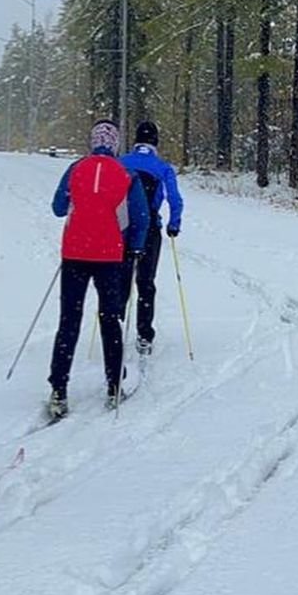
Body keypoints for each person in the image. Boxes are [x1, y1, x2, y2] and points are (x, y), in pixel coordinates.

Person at [46, 119, 149, 418]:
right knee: (109, 319)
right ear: (115, 144)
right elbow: (140, 218)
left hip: (75, 253)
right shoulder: (127, 174)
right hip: (110, 255)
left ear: (93, 142)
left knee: (69, 320)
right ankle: (114, 384)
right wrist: (136, 246)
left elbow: (57, 207)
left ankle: (59, 389)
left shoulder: (76, 168)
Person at [120, 120, 183, 357]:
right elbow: (175, 199)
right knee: (146, 282)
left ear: (135, 141)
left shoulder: (121, 162)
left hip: (123, 228)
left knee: (121, 279)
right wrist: (174, 224)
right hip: (149, 230)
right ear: (155, 141)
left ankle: (115, 325)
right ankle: (144, 334)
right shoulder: (162, 167)